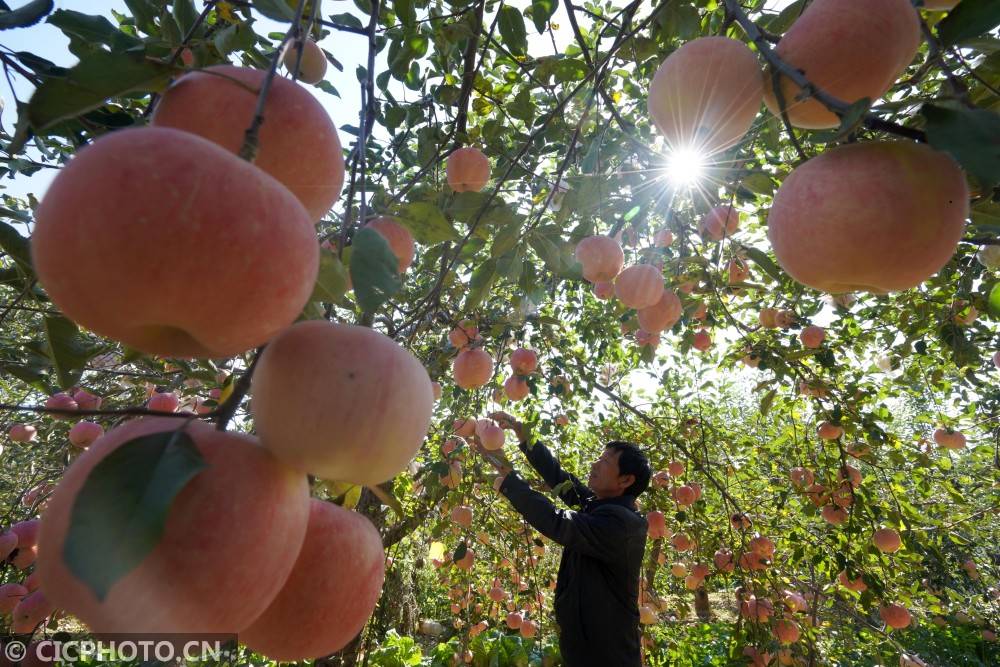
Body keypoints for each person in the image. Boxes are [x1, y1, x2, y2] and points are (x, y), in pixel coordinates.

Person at [473, 411, 651, 667]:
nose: (594, 465)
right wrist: (526, 439)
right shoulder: (599, 506)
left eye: (604, 462)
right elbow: (560, 479)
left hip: (607, 656)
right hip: (585, 648)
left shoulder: (621, 525)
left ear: (625, 479)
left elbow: (557, 521)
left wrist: (511, 481)